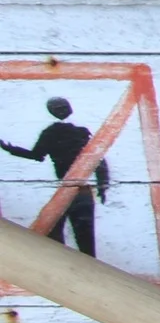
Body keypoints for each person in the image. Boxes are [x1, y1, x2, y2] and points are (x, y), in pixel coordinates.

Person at [4, 96, 108, 256]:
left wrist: (10, 149)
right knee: (81, 239)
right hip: (78, 193)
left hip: (71, 193)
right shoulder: (78, 133)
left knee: (57, 235)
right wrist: (102, 186)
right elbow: (99, 162)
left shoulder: (53, 133)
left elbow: (37, 155)